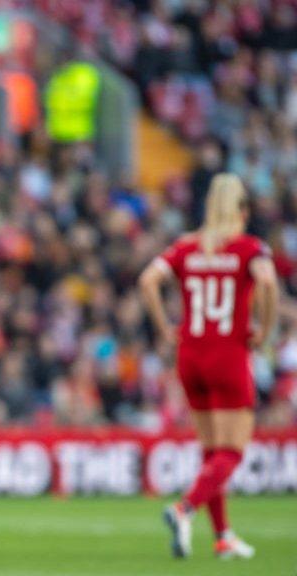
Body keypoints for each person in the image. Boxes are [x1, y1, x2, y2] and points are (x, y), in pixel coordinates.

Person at [139, 173, 279, 560]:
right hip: (229, 354)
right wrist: (264, 329)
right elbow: (266, 284)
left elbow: (148, 280)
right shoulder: (249, 248)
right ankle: (184, 508)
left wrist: (164, 328)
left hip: (191, 355)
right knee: (231, 452)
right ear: (242, 210)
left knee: (211, 450)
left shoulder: (185, 247)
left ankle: (222, 536)